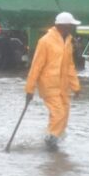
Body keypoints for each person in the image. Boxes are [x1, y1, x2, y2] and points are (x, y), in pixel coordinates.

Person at [25, 11, 82, 150]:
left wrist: (76, 87)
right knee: (59, 114)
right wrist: (29, 89)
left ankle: (51, 140)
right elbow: (36, 67)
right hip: (49, 86)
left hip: (63, 86)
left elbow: (70, 66)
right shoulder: (45, 41)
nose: (72, 28)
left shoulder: (67, 41)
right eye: (70, 25)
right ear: (63, 26)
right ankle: (50, 141)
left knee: (64, 115)